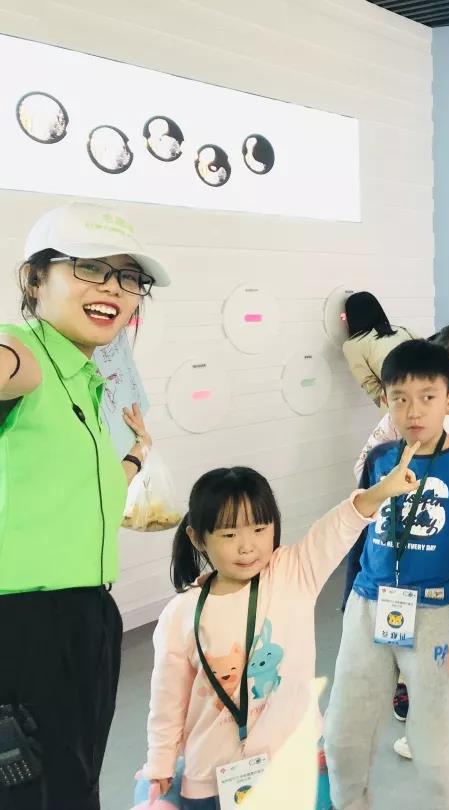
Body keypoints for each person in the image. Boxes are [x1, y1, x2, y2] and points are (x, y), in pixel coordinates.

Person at [0, 202, 166, 810]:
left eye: (128, 277)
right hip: (24, 628)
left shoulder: (86, 382)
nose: (113, 289)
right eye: (91, 268)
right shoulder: (24, 355)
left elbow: (87, 493)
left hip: (87, 616)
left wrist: (138, 456)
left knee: (75, 785)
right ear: (34, 279)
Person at [142, 467, 385, 807]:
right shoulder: (181, 613)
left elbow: (339, 526)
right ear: (198, 538)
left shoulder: (293, 573)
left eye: (259, 529)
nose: (247, 547)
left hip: (288, 764)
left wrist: (382, 491)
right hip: (212, 778)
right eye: (229, 535)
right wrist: (160, 761)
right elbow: (168, 698)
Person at [325, 339, 449, 809]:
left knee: (438, 752)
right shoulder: (380, 459)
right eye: (400, 398)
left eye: (427, 396)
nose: (413, 410)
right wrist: (349, 600)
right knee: (342, 738)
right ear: (386, 400)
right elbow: (360, 532)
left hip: (437, 616)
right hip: (369, 607)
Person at [341, 291, 417, 409]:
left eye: (344, 316)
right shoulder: (402, 330)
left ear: (353, 317)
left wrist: (386, 406)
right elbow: (430, 352)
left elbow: (368, 382)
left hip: (399, 403)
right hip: (429, 393)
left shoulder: (352, 345)